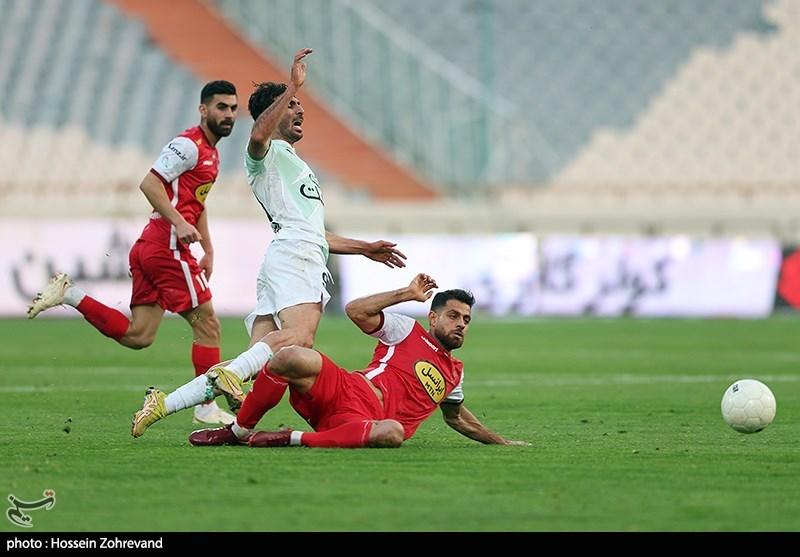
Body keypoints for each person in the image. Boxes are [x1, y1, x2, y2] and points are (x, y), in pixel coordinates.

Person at [130, 48, 406, 438]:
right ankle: (230, 387)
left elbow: (312, 231)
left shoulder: (292, 162)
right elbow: (258, 134)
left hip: (291, 253)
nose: (300, 109)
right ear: (272, 113)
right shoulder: (264, 153)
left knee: (258, 361)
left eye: (299, 104)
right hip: (296, 257)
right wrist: (292, 85)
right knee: (298, 340)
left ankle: (164, 403)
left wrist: (365, 248)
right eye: (291, 105)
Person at [28, 80, 240, 426]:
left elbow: (196, 203)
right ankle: (205, 407)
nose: (228, 114)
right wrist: (178, 223)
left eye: (233, 108)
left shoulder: (212, 154)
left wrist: (209, 248)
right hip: (166, 246)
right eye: (221, 107)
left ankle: (70, 294)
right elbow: (149, 183)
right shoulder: (188, 145)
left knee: (139, 336)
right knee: (208, 325)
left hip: (151, 246)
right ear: (203, 110)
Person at [134, 274, 528, 449]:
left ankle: (288, 439)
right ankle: (238, 431)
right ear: (434, 317)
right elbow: (357, 310)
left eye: (466, 320)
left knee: (393, 433)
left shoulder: (454, 374)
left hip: (363, 422)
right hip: (347, 388)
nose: (460, 324)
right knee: (288, 355)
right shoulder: (407, 330)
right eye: (454, 316)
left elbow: (458, 418)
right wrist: (405, 294)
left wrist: (502, 441)